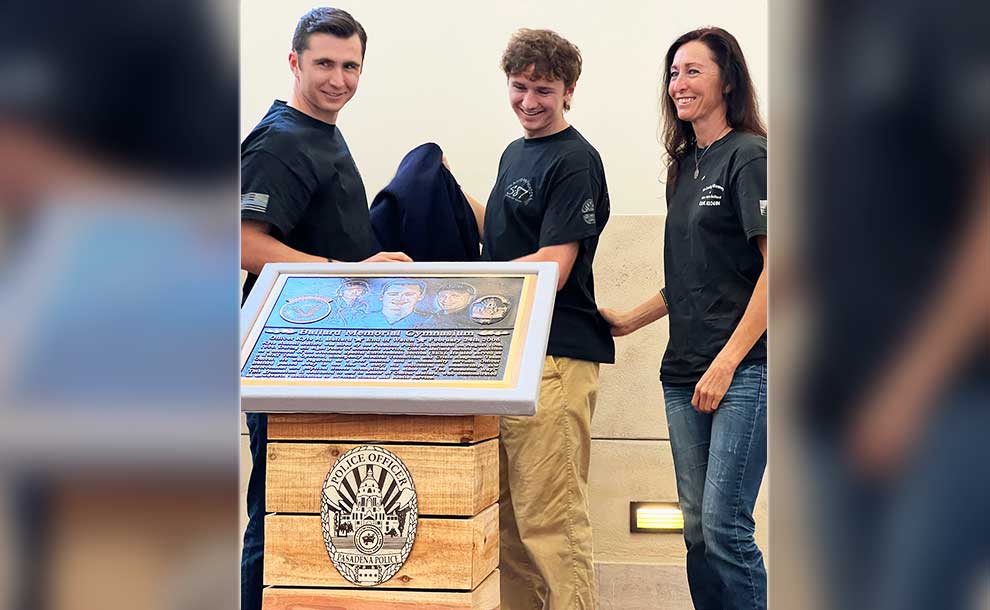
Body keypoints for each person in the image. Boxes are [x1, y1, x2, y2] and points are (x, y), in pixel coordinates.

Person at [238, 8, 410, 610]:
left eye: (351, 66)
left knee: (312, 514)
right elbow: (242, 241)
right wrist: (348, 272)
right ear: (294, 63)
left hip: (327, 357)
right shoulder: (280, 141)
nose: (339, 79)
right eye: (324, 64)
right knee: (277, 512)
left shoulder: (321, 133)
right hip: (287, 358)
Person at [599, 27, 768, 610]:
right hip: (683, 375)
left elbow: (779, 271)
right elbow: (695, 277)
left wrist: (726, 364)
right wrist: (629, 319)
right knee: (694, 529)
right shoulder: (683, 168)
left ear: (727, 80)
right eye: (673, 73)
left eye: (693, 71)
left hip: (744, 372)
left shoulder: (750, 156)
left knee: (725, 529)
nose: (679, 84)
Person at [455, 28, 614, 610]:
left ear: (569, 90)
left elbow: (553, 265)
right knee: (510, 524)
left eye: (543, 89)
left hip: (556, 357)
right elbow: (500, 241)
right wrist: (440, 182)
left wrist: (469, 288)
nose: (528, 101)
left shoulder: (576, 160)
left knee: (552, 520)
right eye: (519, 87)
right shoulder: (514, 153)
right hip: (507, 356)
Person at [358, 279, 435, 328]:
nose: (399, 298)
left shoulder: (430, 321)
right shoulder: (363, 320)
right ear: (381, 296)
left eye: (409, 294)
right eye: (393, 294)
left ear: (420, 297)